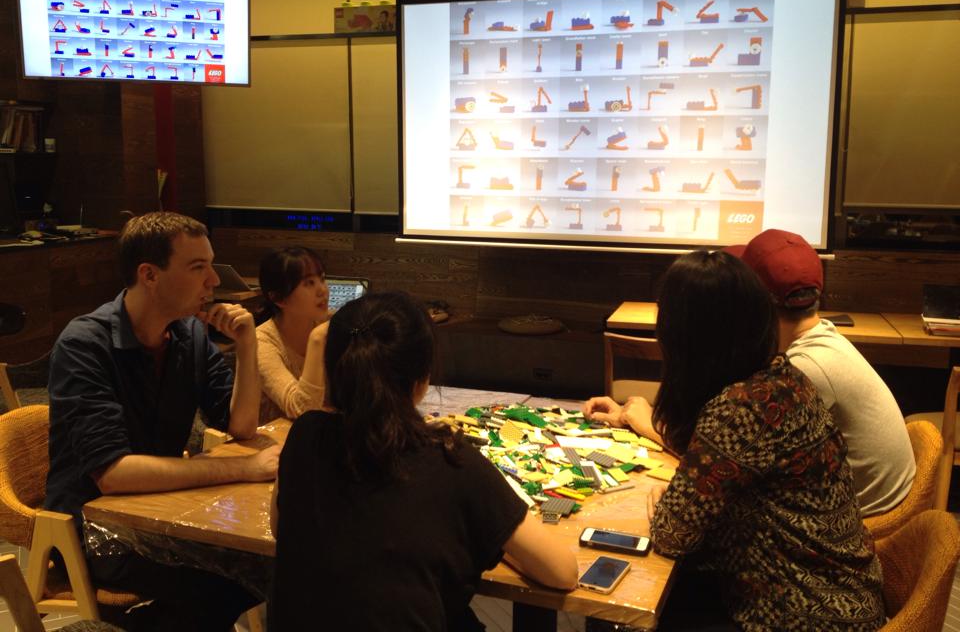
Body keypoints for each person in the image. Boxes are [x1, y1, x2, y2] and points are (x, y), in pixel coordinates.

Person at [600, 251, 885, 630]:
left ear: (683, 337)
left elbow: (671, 534)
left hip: (805, 614)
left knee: (628, 597)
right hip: (844, 593)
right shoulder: (786, 378)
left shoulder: (740, 408)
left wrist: (674, 503)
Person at [270, 291, 577, 631]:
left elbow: (279, 528)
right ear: (422, 379)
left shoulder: (304, 434)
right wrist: (494, 536)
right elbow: (562, 572)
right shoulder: (450, 459)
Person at [44, 212, 279, 632]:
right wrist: (243, 467)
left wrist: (247, 346)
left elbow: (241, 427)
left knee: (272, 566)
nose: (213, 281)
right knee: (229, 583)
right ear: (149, 275)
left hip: (163, 515)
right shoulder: (85, 345)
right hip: (96, 531)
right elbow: (113, 474)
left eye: (210, 265)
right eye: (198, 267)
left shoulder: (189, 335)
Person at [729, 228, 914, 516]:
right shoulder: (824, 336)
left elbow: (738, 463)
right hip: (871, 500)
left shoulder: (806, 369)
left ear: (756, 304)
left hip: (861, 520)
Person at [255, 246, 330, 423]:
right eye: (309, 283)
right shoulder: (261, 342)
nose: (322, 290)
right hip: (274, 438)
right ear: (279, 298)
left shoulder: (326, 325)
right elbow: (302, 410)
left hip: (318, 433)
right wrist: (317, 339)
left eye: (322, 279)